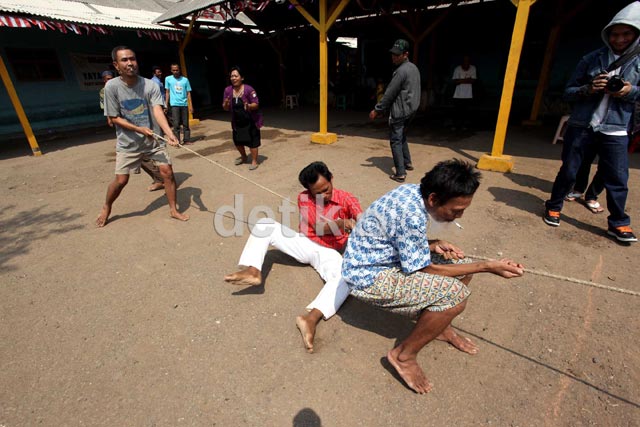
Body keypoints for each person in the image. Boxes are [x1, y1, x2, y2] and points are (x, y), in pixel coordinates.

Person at [341, 159, 524, 394]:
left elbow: (397, 238)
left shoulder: (413, 192)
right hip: (368, 277)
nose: (459, 216)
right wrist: (486, 266)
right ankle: (403, 356)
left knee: (461, 264)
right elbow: (423, 270)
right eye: (456, 210)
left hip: (383, 259)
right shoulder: (410, 213)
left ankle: (439, 325)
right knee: (455, 294)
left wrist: (432, 244)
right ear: (433, 199)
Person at [224, 161, 363, 353]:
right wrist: (342, 223)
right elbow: (318, 228)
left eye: (326, 189)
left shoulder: (347, 198)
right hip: (304, 243)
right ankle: (253, 270)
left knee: (344, 277)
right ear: (309, 190)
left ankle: (310, 319)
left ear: (331, 178)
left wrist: (361, 224)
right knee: (265, 223)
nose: (324, 194)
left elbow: (361, 216)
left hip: (330, 252)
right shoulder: (304, 198)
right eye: (318, 193)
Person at [543, 2, 640, 243]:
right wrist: (589, 88)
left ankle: (619, 223)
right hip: (582, 124)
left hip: (616, 127)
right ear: (607, 34)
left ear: (636, 33)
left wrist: (629, 91)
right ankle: (554, 205)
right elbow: (569, 91)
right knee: (569, 170)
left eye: (626, 33)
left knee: (617, 178)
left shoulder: (638, 62)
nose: (619, 39)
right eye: (615, 34)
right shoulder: (592, 59)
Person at [96, 46, 189, 227]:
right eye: (124, 60)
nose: (130, 63)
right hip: (128, 142)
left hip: (153, 139)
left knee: (167, 173)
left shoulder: (150, 85)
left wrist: (170, 134)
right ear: (116, 65)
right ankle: (107, 206)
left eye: (132, 58)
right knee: (122, 180)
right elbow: (114, 118)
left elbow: (157, 110)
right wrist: (139, 129)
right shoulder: (111, 87)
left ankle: (173, 209)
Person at [101, 69, 164, 192]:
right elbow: (111, 112)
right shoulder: (108, 90)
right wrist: (110, 118)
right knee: (122, 178)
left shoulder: (146, 86)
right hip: (128, 133)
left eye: (110, 78)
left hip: (144, 129)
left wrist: (168, 132)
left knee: (152, 160)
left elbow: (156, 109)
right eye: (106, 79)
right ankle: (160, 179)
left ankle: (161, 179)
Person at [369, 39, 421, 183]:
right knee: (402, 135)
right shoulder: (413, 68)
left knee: (395, 140)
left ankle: (400, 172)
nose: (394, 57)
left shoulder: (401, 71)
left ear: (406, 54)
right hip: (411, 109)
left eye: (397, 55)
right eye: (393, 54)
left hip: (401, 111)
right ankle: (407, 162)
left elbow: (390, 93)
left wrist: (377, 109)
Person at [222, 66, 263, 170]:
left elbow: (256, 104)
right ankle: (244, 157)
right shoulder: (227, 90)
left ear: (242, 78)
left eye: (236, 76)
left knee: (253, 141)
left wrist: (249, 106)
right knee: (237, 141)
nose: (233, 78)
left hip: (251, 120)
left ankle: (254, 161)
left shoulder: (249, 89)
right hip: (237, 121)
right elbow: (225, 108)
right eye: (232, 76)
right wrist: (226, 104)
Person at [165, 63, 193, 144]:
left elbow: (188, 93)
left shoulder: (185, 80)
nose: (175, 71)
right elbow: (167, 92)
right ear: (171, 71)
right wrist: (166, 105)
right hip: (174, 105)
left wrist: (190, 105)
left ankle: (186, 140)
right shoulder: (168, 79)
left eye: (177, 70)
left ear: (179, 70)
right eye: (173, 70)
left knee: (186, 124)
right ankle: (177, 141)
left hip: (184, 104)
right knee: (176, 124)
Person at [451, 55, 477, 130]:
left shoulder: (473, 68)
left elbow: (473, 81)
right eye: (465, 60)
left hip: (468, 94)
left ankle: (463, 125)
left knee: (465, 111)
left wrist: (460, 80)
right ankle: (455, 125)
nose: (466, 62)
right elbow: (455, 81)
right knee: (457, 111)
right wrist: (468, 80)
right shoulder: (457, 69)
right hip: (458, 94)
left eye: (467, 60)